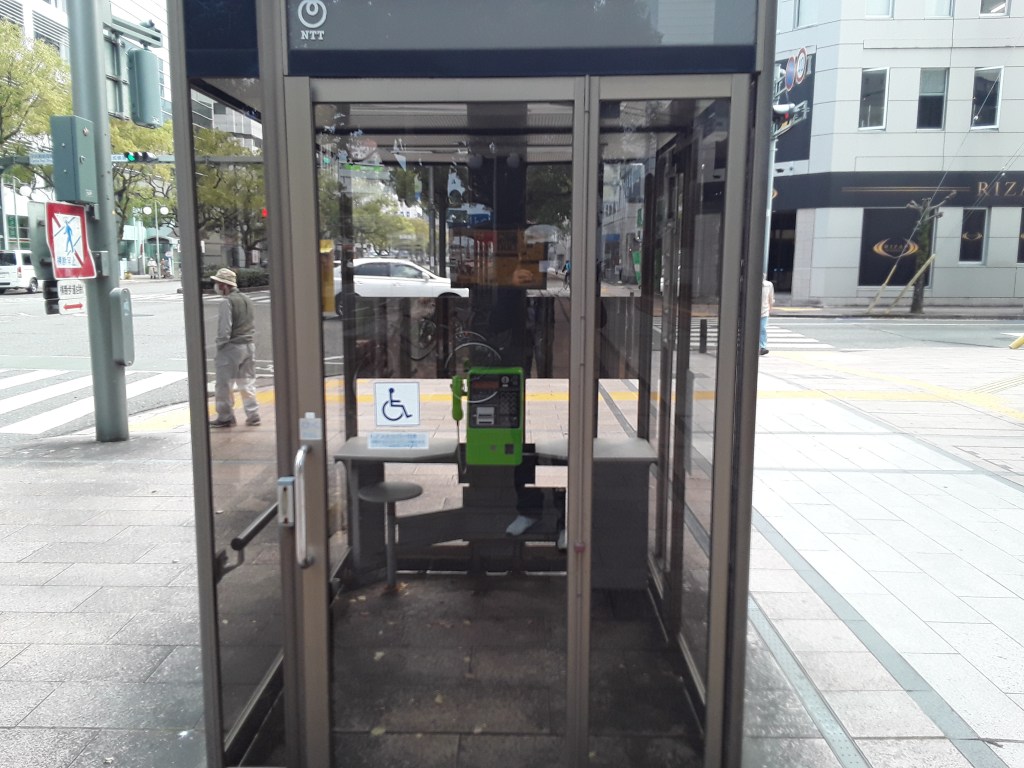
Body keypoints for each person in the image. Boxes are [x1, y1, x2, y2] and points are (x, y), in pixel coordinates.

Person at [210, 268, 261, 427]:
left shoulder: (227, 302)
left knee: (224, 385)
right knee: (246, 383)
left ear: (225, 285)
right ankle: (253, 415)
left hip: (232, 347)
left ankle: (225, 417)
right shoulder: (247, 299)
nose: (216, 286)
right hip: (248, 345)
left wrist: (219, 346)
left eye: (218, 283)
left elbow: (224, 330)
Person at [760, 273, 774, 356]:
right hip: (753, 312)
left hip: (764, 311)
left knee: (762, 329)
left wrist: (770, 308)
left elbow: (771, 297)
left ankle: (762, 347)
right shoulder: (751, 284)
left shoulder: (768, 285)